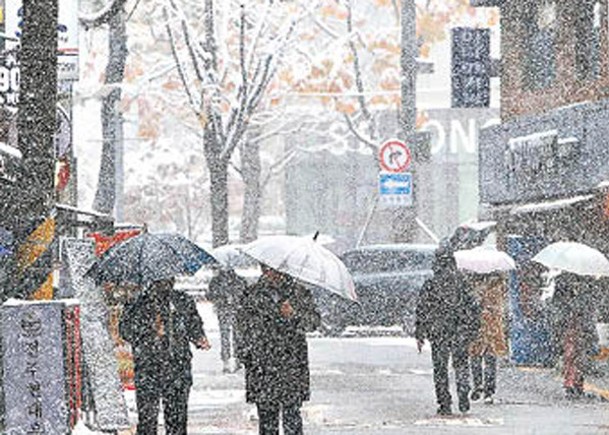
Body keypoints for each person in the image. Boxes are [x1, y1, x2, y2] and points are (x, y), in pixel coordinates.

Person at [119, 277, 211, 434]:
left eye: (170, 277)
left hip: (177, 367)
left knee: (177, 420)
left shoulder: (182, 300)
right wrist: (149, 329)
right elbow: (125, 331)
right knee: (147, 420)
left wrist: (199, 338)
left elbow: (194, 325)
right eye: (162, 279)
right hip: (148, 367)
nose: (168, 281)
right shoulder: (138, 303)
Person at [236, 264, 321, 435]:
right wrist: (246, 354)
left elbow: (313, 322)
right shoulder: (252, 293)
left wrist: (294, 315)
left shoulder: (298, 292)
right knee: (267, 420)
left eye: (274, 270)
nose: (270, 274)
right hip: (262, 364)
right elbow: (242, 326)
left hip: (291, 364)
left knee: (292, 418)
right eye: (265, 269)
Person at [415, 251, 481, 416]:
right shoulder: (462, 284)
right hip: (460, 332)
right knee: (461, 365)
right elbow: (473, 308)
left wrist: (420, 333)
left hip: (438, 333)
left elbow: (422, 310)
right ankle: (463, 392)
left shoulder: (430, 284)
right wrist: (472, 330)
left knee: (440, 369)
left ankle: (444, 403)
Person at [549, 272, 599, 399]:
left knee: (578, 355)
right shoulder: (564, 281)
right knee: (572, 354)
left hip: (579, 326)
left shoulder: (587, 281)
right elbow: (559, 304)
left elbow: (589, 306)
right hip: (571, 326)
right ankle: (571, 383)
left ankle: (576, 383)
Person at [468, 273, 508, 404]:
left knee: (480, 357)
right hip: (488, 327)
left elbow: (499, 308)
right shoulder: (497, 285)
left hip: (481, 326)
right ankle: (485, 389)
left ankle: (482, 387)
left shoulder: (478, 286)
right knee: (484, 358)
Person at [207, 266, 248, 373]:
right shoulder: (239, 280)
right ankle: (238, 359)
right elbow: (245, 295)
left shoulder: (216, 280)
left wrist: (220, 299)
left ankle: (226, 360)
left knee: (225, 335)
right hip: (237, 310)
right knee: (237, 335)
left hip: (223, 310)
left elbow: (209, 295)